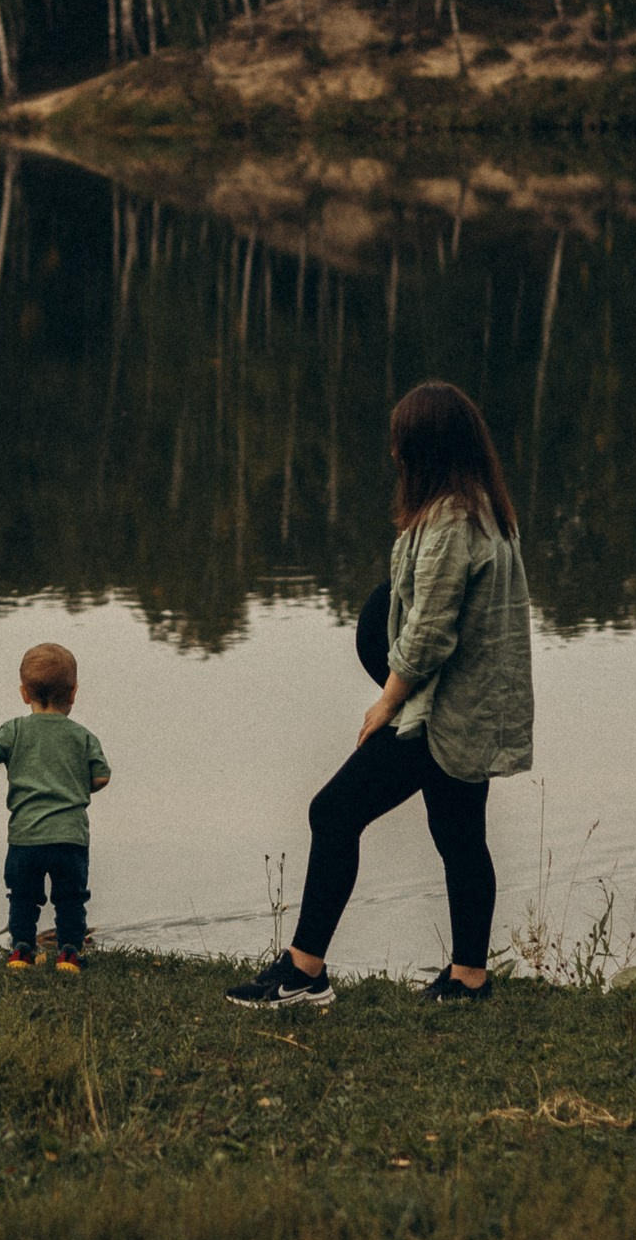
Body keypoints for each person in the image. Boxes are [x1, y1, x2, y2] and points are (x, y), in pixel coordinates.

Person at [228, 380, 535, 1009]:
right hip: (463, 710)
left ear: (426, 449)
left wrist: (388, 700)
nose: (394, 455)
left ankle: (305, 973)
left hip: (437, 713)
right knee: (459, 837)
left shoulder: (452, 519)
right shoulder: (485, 510)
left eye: (402, 444)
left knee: (333, 812)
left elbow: (430, 631)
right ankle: (468, 977)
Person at [0, 642, 112, 974]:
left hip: (25, 838)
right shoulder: (83, 737)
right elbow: (101, 777)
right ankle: (70, 955)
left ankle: (21, 951)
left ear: (23, 692)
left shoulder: (15, 731)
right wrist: (76, 785)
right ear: (73, 693)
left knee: (23, 898)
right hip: (70, 839)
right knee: (70, 900)